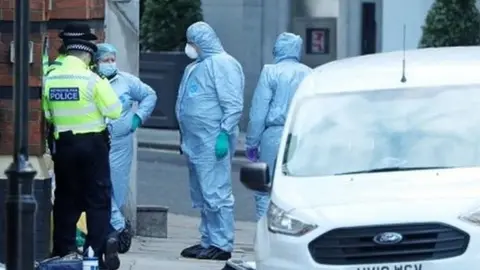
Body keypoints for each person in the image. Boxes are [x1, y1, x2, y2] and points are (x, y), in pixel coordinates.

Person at [43, 38, 123, 270]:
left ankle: (63, 249)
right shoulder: (92, 79)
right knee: (98, 199)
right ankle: (94, 252)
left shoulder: (50, 78)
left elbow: (48, 114)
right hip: (92, 145)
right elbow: (115, 111)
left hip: (64, 145)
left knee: (66, 199)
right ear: (87, 57)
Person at [176, 21, 244, 260]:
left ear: (202, 42)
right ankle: (208, 239)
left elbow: (233, 104)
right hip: (195, 141)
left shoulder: (223, 65)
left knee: (217, 192)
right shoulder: (196, 66)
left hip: (213, 139)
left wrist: (224, 133)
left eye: (192, 42)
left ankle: (222, 243)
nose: (189, 47)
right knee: (202, 193)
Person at [94, 43, 158, 253]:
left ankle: (112, 232)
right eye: (106, 60)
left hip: (121, 144)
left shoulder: (127, 81)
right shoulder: (92, 81)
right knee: (98, 186)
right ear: (97, 61)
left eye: (113, 59)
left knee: (117, 188)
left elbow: (150, 95)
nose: (110, 63)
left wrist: (138, 117)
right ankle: (118, 228)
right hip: (97, 141)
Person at [245, 32, 312, 221]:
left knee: (265, 188)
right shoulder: (309, 73)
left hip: (273, 135)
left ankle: (264, 230)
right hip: (301, 135)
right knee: (295, 188)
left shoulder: (270, 72)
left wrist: (252, 142)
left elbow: (258, 111)